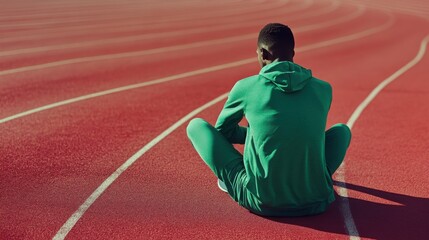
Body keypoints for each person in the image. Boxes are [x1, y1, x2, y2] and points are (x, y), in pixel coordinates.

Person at [186, 23, 351, 217]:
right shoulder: (324, 89)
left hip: (262, 200)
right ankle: (311, 181)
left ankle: (231, 182)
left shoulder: (246, 87)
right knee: (342, 131)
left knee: (195, 126)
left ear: (263, 54)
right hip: (316, 199)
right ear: (293, 53)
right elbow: (301, 130)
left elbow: (223, 132)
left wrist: (255, 135)